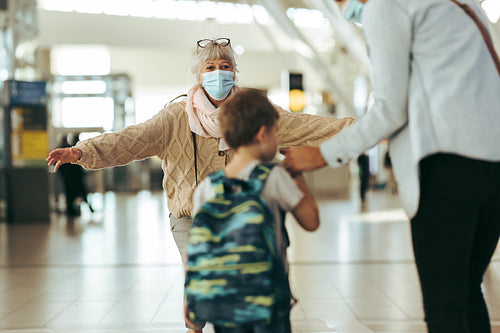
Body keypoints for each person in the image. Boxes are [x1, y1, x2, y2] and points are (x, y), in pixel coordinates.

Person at [46, 38, 354, 333]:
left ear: (234, 72)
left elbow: (309, 126)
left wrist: (364, 129)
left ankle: (234, 318)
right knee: (196, 268)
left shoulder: (250, 112)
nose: (218, 72)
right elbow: (132, 139)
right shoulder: (175, 116)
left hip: (247, 214)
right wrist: (83, 151)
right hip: (190, 213)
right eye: (209, 67)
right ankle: (195, 327)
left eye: (224, 65)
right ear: (197, 75)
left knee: (233, 276)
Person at [281, 1, 500, 332]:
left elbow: (389, 109)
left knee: (446, 308)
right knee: (467, 294)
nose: (341, 6)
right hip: (493, 168)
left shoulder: (385, 6)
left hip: (446, 167)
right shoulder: (462, 3)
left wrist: (322, 154)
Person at [187, 88, 319, 333]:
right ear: (262, 133)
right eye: (275, 133)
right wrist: (297, 174)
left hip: (223, 299)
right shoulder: (275, 177)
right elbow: (311, 221)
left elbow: (197, 245)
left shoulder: (207, 187)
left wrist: (192, 297)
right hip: (267, 297)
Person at [57, 133, 94, 216]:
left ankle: (71, 210)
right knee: (81, 192)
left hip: (69, 177)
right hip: (75, 177)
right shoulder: (72, 149)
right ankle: (75, 210)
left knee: (71, 194)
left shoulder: (70, 149)